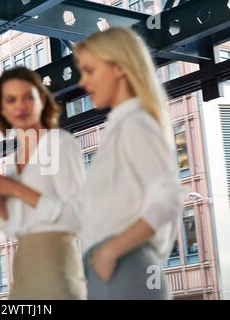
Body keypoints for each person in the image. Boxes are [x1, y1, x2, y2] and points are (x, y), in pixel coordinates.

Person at [74, 27, 184, 299]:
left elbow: (167, 198)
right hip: (116, 270)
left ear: (119, 67)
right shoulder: (122, 127)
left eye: (90, 70)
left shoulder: (135, 124)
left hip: (126, 269)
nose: (83, 83)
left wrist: (110, 251)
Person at [0, 67, 87, 299]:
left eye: (28, 97)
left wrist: (14, 188)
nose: (20, 106)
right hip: (24, 264)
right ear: (3, 109)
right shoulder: (16, 157)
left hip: (56, 264)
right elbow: (19, 227)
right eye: (11, 100)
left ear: (42, 100)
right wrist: (1, 204)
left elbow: (78, 216)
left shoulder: (60, 143)